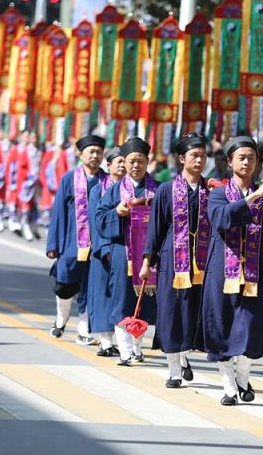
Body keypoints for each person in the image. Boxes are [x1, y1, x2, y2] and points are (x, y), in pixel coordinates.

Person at [202, 136, 263, 405]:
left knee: (250, 328)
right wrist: (254, 197)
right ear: (230, 162)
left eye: (251, 158)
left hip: (254, 276)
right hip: (222, 275)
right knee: (223, 327)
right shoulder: (218, 193)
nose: (246, 162)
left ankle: (242, 375)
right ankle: (229, 385)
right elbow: (222, 219)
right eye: (241, 157)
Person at [141, 133, 210, 388]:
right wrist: (147, 261)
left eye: (203, 156)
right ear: (182, 158)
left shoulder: (211, 191)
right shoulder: (166, 190)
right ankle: (174, 371)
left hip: (201, 263)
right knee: (171, 312)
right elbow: (155, 229)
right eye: (194, 155)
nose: (199, 160)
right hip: (172, 260)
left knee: (193, 313)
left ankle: (183, 356)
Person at [94, 137, 158, 366]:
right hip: (123, 252)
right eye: (131, 161)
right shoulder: (114, 191)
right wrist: (116, 213)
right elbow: (99, 218)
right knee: (122, 300)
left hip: (150, 255)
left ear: (147, 162)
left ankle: (138, 346)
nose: (135, 166)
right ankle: (124, 350)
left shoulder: (158, 190)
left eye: (140, 161)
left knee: (144, 302)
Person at [45, 135, 106, 346]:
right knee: (64, 284)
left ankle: (84, 330)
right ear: (80, 154)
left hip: (96, 245)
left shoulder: (107, 181)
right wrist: (53, 244)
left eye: (99, 152)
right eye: (91, 151)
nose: (96, 156)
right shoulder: (69, 179)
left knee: (90, 287)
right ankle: (61, 320)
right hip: (71, 241)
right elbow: (59, 212)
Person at [86, 146, 125, 356]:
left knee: (121, 296)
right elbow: (95, 221)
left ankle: (122, 340)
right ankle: (105, 340)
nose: (121, 165)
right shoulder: (98, 190)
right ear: (108, 165)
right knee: (102, 294)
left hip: (125, 249)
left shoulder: (132, 189)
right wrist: (103, 248)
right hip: (103, 251)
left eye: (123, 161)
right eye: (117, 161)